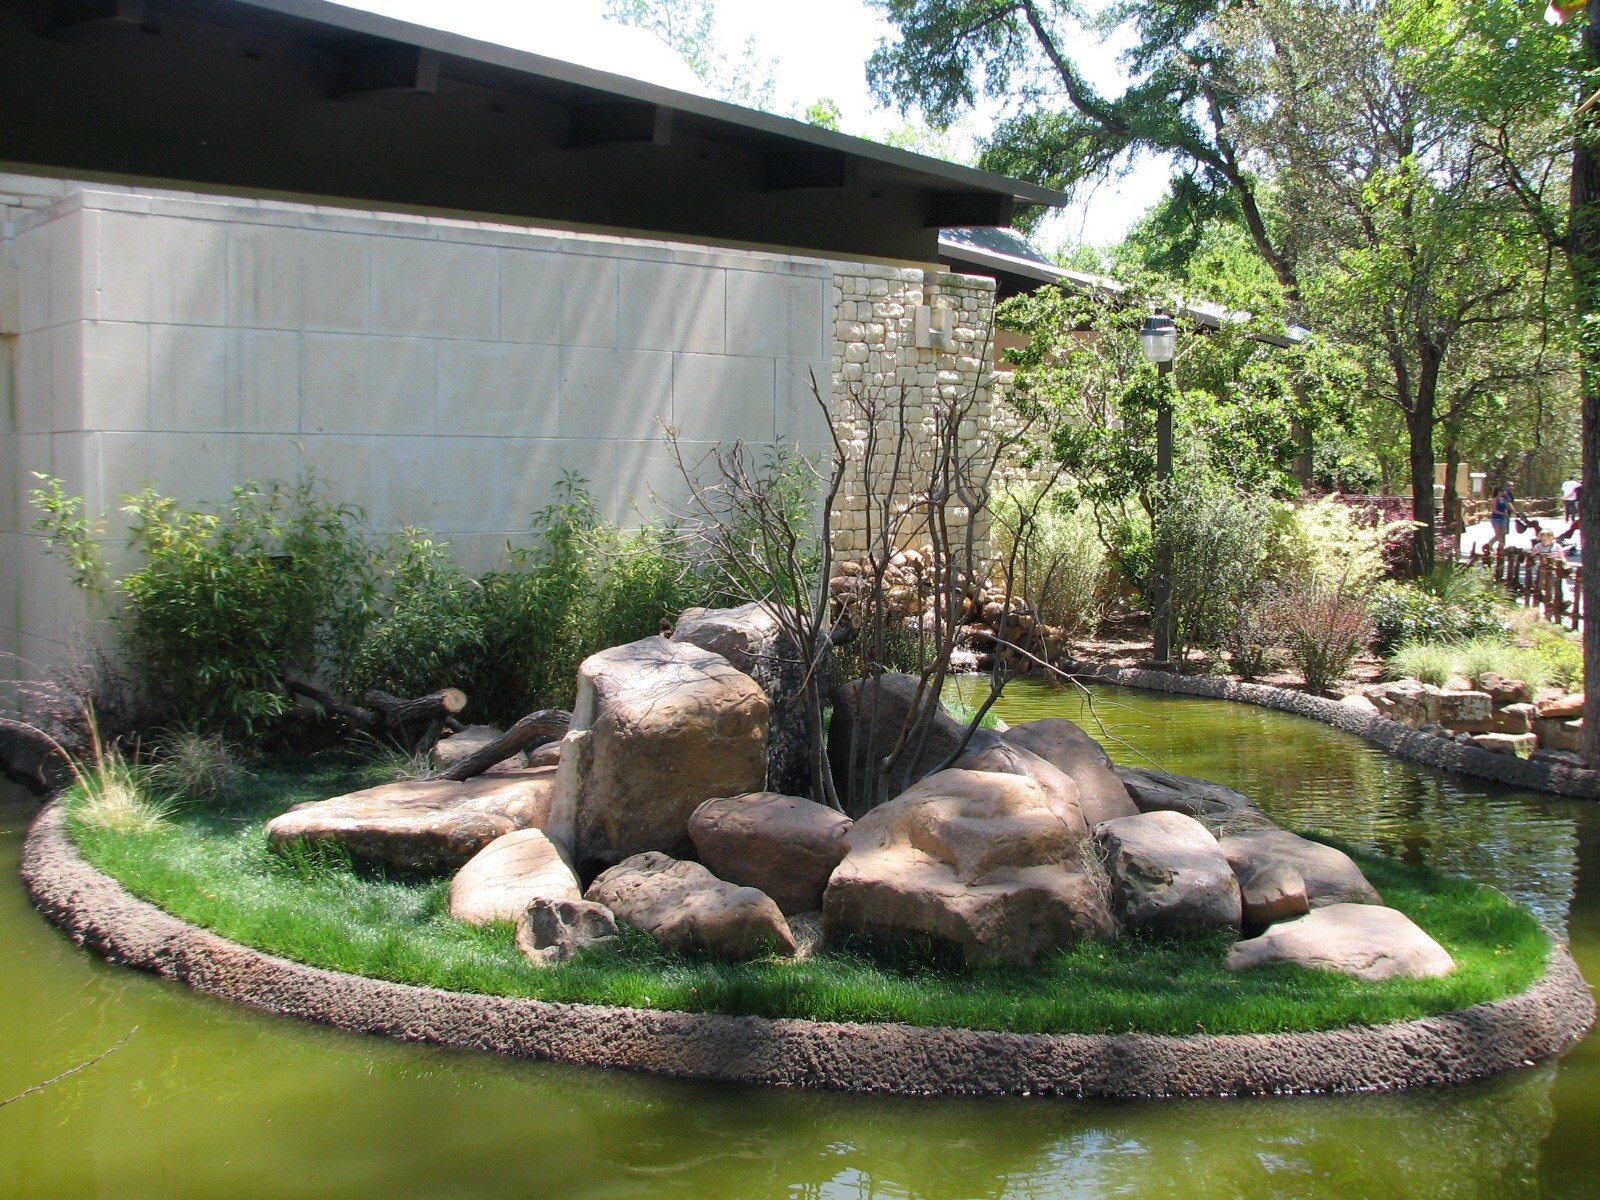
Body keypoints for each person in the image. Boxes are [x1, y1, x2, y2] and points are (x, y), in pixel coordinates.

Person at [1489, 485, 1515, 553]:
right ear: (1498, 491)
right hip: (1496, 519)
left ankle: (1501, 548)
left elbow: (1509, 505)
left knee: (1502, 534)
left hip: (1503, 519)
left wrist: (1515, 512)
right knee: (1497, 535)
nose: (1504, 492)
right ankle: (1489, 545)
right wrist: (1503, 513)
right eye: (1502, 491)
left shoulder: (1503, 499)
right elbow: (1494, 510)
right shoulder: (1495, 499)